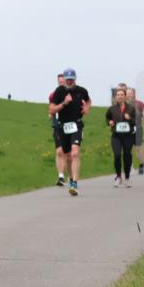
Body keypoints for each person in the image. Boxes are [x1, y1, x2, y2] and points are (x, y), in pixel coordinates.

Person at [48, 68, 91, 196]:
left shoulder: (81, 91)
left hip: (77, 124)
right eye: (68, 80)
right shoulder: (59, 91)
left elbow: (88, 100)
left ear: (75, 79)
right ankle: (71, 178)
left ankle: (75, 183)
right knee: (67, 156)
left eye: (72, 79)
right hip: (62, 127)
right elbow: (51, 110)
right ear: (65, 80)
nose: (70, 82)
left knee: (75, 152)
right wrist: (64, 103)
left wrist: (87, 107)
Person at [105, 84, 137, 187]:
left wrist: (129, 119)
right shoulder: (112, 109)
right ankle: (118, 177)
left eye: (121, 94)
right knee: (117, 155)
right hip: (116, 136)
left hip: (128, 136)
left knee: (127, 156)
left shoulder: (131, 109)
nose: (119, 96)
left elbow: (136, 121)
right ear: (115, 97)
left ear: (125, 96)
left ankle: (127, 177)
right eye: (118, 95)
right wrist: (109, 122)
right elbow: (107, 118)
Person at [49, 74, 68, 186]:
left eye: (63, 81)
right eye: (59, 82)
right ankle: (61, 176)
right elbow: (51, 107)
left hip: (70, 126)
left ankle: (70, 175)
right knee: (59, 151)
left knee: (68, 153)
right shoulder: (53, 95)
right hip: (57, 126)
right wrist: (50, 114)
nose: (61, 83)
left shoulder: (72, 94)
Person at [126, 87, 144, 174]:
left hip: (137, 128)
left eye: (130, 93)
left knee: (138, 148)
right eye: (127, 93)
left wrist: (143, 121)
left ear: (134, 94)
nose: (129, 95)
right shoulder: (123, 104)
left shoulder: (140, 104)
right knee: (128, 149)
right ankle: (130, 166)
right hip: (127, 130)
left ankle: (141, 165)